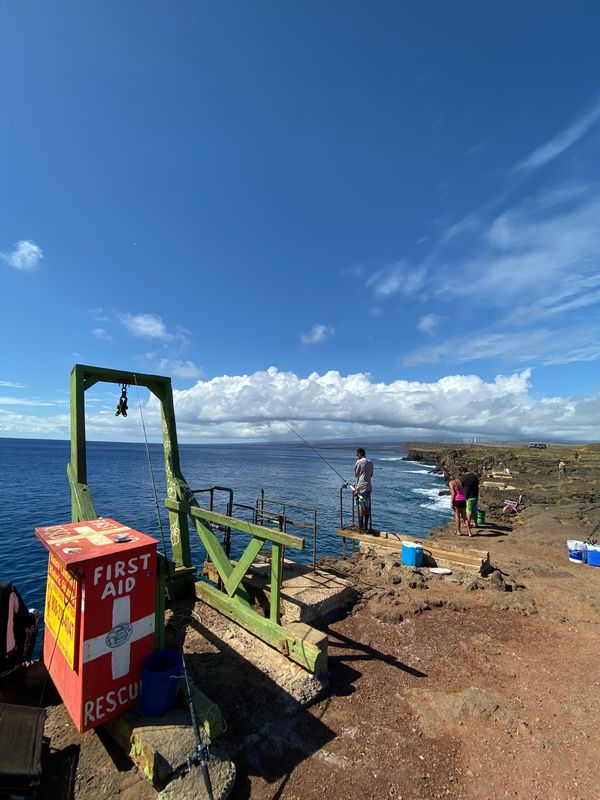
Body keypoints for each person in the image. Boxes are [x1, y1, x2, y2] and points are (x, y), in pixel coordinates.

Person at [0, 582, 39, 684]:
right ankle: (24, 661)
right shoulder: (8, 589)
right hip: (7, 669)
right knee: (33, 615)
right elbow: (24, 619)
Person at [353, 448, 374, 532]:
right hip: (369, 486)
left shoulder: (359, 462)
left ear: (360, 454)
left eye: (357, 454)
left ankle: (360, 527)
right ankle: (366, 527)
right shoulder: (370, 461)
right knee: (367, 505)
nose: (356, 456)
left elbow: (356, 474)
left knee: (360, 505)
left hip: (361, 487)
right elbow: (371, 474)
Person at [459, 466, 480, 532]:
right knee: (475, 509)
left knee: (468, 510)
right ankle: (475, 523)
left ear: (462, 472)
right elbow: (477, 483)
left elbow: (459, 487)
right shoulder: (474, 476)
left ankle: (468, 524)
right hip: (475, 495)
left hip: (469, 497)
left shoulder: (462, 478)